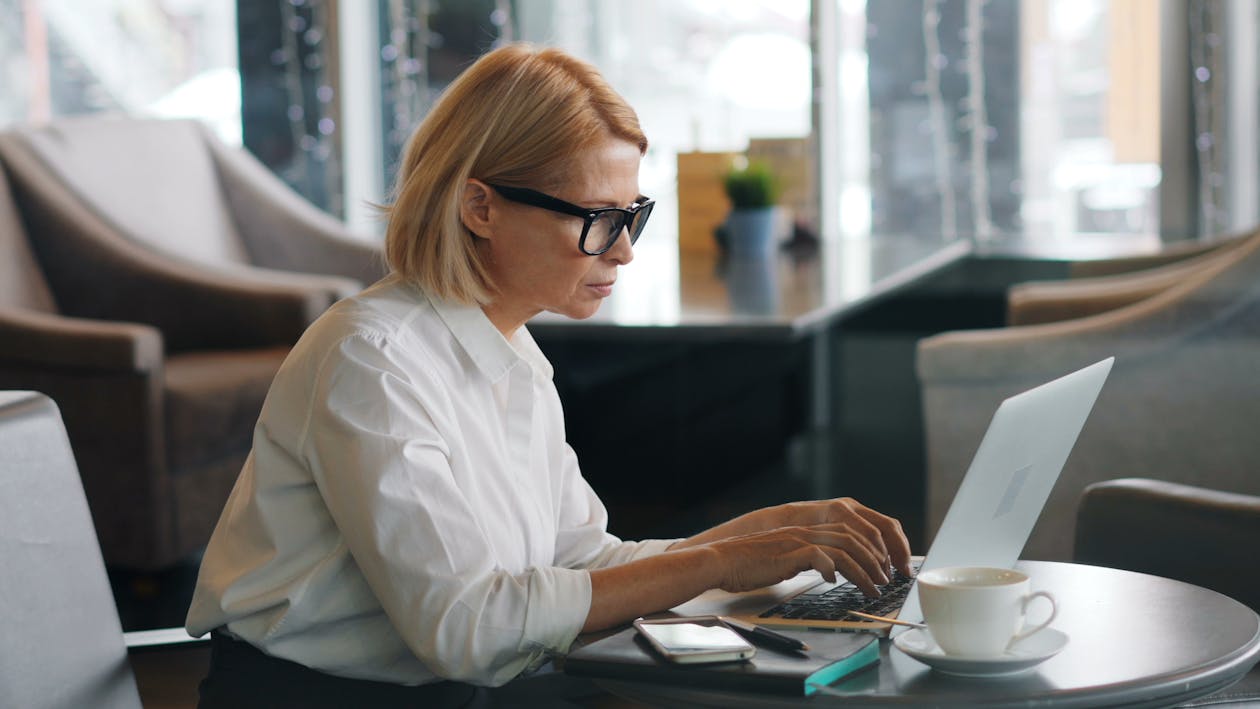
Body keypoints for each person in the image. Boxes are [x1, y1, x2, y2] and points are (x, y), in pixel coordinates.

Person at [186, 42, 912, 708]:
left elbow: (581, 561)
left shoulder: (512, 349)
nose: (623, 251)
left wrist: (756, 542)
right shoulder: (371, 358)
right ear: (480, 207)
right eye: (597, 218)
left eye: (631, 215)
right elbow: (466, 627)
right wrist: (720, 562)